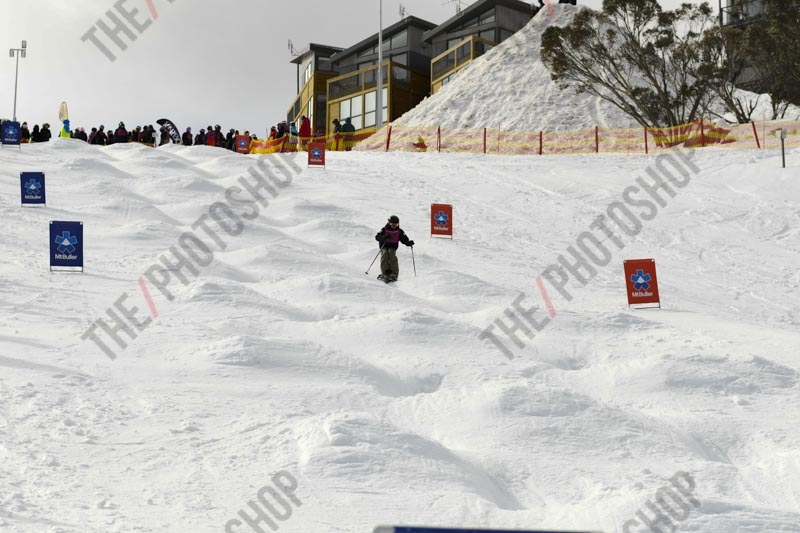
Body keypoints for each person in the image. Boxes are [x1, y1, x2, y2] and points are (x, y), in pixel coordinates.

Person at [374, 215, 414, 282]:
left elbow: (404, 239)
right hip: (384, 245)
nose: (394, 226)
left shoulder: (399, 231)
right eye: (392, 224)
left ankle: (394, 274)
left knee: (391, 254)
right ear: (389, 223)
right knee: (384, 255)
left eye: (396, 224)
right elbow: (377, 237)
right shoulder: (384, 229)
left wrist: (408, 243)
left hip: (393, 246)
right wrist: (383, 237)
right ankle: (385, 273)